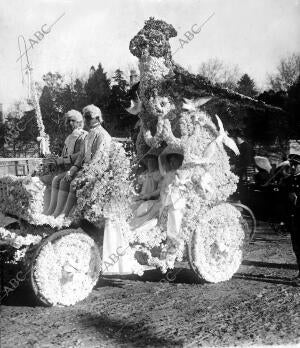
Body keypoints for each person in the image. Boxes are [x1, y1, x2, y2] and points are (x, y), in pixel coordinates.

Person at [51, 104, 111, 218]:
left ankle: (66, 215)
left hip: (98, 170)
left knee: (74, 183)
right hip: (86, 168)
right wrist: (72, 170)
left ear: (97, 118)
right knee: (64, 180)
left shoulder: (102, 135)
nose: (86, 120)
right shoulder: (88, 135)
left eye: (89, 117)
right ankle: (58, 212)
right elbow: (81, 156)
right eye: (85, 117)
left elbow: (98, 158)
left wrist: (85, 171)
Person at [43, 110, 87, 214]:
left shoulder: (84, 135)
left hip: (80, 168)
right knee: (49, 179)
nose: (70, 124)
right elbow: (64, 154)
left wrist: (63, 160)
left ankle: (59, 212)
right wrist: (54, 160)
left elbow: (81, 154)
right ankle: (51, 209)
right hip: (67, 168)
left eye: (73, 121)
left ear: (79, 122)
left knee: (57, 180)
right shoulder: (68, 138)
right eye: (68, 121)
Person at [283, 154, 300, 286]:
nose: (293, 167)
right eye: (291, 165)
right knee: (296, 247)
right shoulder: (288, 180)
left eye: (296, 165)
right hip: (293, 219)